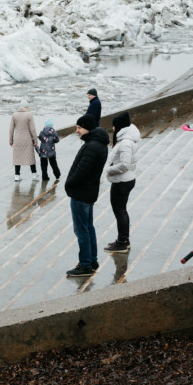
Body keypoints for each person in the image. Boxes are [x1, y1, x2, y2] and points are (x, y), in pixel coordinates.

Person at [65, 114, 109, 276]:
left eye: (79, 128)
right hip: (89, 193)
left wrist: (69, 183)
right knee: (89, 228)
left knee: (81, 230)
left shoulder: (91, 146)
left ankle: (85, 265)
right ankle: (92, 260)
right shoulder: (99, 144)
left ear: (87, 128)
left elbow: (82, 171)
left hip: (81, 194)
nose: (77, 131)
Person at [104, 112, 140, 253]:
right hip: (126, 179)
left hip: (122, 181)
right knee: (121, 211)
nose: (112, 129)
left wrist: (108, 170)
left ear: (118, 127)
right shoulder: (128, 139)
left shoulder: (125, 143)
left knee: (120, 211)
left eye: (113, 126)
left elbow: (124, 164)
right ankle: (123, 240)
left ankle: (122, 242)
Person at [9, 101, 39, 181]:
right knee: (30, 156)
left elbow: (11, 130)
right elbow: (33, 129)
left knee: (17, 157)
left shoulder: (14, 115)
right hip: (27, 138)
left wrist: (11, 140)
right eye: (28, 107)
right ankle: (34, 174)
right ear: (26, 107)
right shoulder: (29, 115)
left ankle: (17, 175)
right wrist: (35, 140)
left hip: (17, 139)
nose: (28, 108)